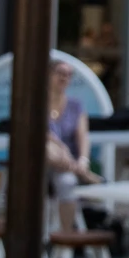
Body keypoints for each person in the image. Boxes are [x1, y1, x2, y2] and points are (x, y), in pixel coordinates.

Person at [46, 56, 101, 231]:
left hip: (64, 164)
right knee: (49, 148)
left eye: (69, 75)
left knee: (67, 181)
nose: (64, 78)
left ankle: (66, 234)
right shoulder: (37, 102)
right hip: (42, 161)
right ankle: (83, 174)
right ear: (48, 75)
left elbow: (83, 136)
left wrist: (83, 159)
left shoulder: (75, 105)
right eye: (60, 73)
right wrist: (63, 149)